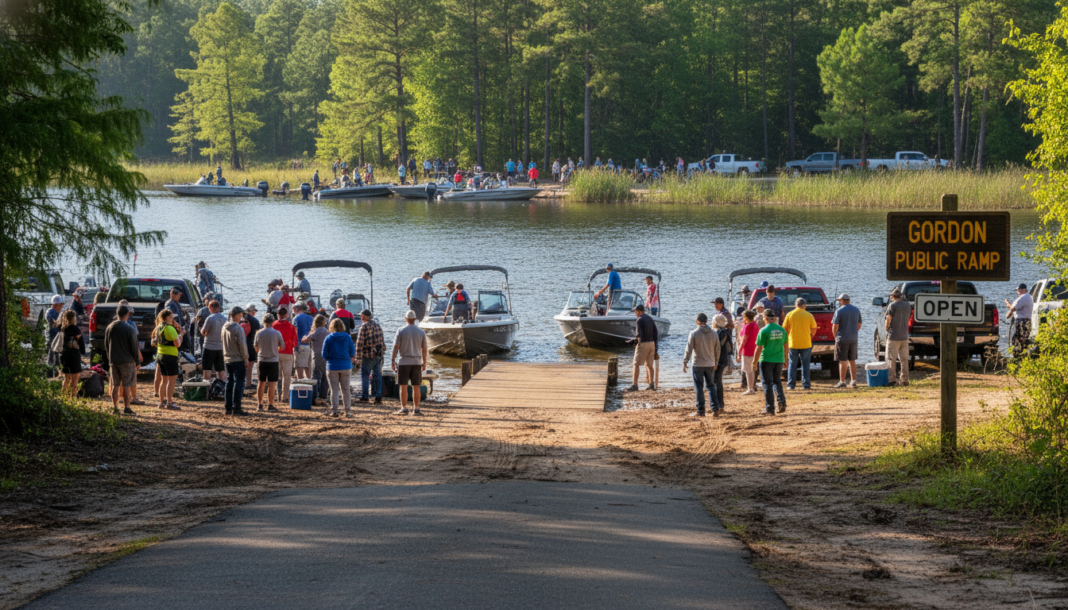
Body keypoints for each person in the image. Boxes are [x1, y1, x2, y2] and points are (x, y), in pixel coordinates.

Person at [682, 313, 721, 417]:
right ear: (706, 321)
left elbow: (689, 349)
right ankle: (715, 408)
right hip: (710, 363)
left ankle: (700, 411)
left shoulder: (694, 333)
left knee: (699, 388)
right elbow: (718, 349)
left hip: (698, 364)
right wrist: (716, 362)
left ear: (697, 321)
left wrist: (685, 362)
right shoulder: (714, 333)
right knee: (711, 386)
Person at [391, 310, 428, 415]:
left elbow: (395, 347)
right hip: (417, 362)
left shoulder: (400, 331)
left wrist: (393, 360)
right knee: (416, 386)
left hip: (404, 361)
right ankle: (416, 408)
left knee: (403, 386)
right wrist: (424, 362)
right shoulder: (421, 332)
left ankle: (403, 408)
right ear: (415, 319)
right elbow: (424, 349)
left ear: (406, 319)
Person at [105, 305, 140, 415]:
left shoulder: (109, 327)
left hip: (114, 360)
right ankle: (127, 407)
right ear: (127, 314)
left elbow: (106, 345)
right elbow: (134, 347)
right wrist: (137, 361)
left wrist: (109, 357)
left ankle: (115, 407)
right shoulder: (130, 329)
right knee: (127, 385)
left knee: (115, 384)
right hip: (127, 361)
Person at [753, 310, 787, 416]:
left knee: (767, 384)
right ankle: (781, 402)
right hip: (779, 359)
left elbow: (759, 348)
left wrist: (754, 362)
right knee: (777, 381)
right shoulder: (782, 330)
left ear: (765, 318)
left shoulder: (764, 330)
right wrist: (785, 359)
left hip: (766, 359)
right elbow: (786, 346)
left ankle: (770, 408)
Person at [322, 318, 356, 417]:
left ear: (331, 327)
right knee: (345, 390)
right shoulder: (348, 337)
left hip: (332, 366)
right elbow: (352, 352)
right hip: (345, 365)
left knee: (334, 389)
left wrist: (330, 358)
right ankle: (348, 411)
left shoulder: (328, 338)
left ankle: (334, 410)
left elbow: (324, 354)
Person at [784, 298, 818, 390]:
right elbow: (814, 328)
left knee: (792, 364)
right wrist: (810, 336)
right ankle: (806, 385)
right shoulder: (809, 315)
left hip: (793, 343)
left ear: (796, 305)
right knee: (805, 365)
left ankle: (791, 385)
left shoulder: (790, 315)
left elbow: (785, 329)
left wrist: (788, 338)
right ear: (804, 305)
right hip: (806, 343)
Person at [152, 309, 183, 410]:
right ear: (168, 318)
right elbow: (177, 344)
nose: (172, 319)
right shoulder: (170, 328)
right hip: (170, 356)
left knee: (164, 379)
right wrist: (181, 335)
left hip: (160, 355)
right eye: (171, 317)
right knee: (172, 380)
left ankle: (161, 402)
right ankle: (169, 402)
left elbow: (155, 342)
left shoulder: (158, 327)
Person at [222, 306, 250, 416]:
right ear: (239, 315)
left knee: (229, 382)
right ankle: (236, 407)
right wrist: (246, 359)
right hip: (238, 358)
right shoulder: (238, 328)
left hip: (227, 357)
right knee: (239, 383)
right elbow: (242, 345)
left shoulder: (224, 327)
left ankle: (228, 407)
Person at [254, 314, 284, 411]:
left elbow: (255, 346)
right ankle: (270, 404)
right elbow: (282, 346)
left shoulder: (259, 333)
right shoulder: (277, 333)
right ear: (272, 322)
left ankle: (259, 404)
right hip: (273, 360)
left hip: (262, 359)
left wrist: (260, 351)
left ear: (264, 322)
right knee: (272, 384)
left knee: (261, 382)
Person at [831, 294, 862, 388]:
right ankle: (853, 381)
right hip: (853, 338)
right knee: (852, 360)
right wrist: (853, 332)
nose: (839, 302)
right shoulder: (856, 310)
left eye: (839, 301)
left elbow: (834, 326)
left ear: (842, 301)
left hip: (842, 338)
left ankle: (842, 381)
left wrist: (835, 337)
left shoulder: (839, 311)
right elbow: (859, 324)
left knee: (842, 361)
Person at [354, 309, 385, 404]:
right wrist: (383, 352)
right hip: (378, 354)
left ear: (365, 317)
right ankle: (378, 395)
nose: (361, 317)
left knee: (365, 375)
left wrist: (357, 359)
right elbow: (382, 341)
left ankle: (365, 396)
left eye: (361, 316)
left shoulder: (363, 327)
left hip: (368, 355)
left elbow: (359, 344)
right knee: (378, 375)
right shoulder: (377, 325)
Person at [626, 304, 658, 391]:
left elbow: (638, 334)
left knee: (636, 364)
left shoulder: (639, 320)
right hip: (652, 344)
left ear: (639, 312)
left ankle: (635, 385)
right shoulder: (650, 319)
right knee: (649, 365)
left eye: (636, 312)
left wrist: (633, 341)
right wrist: (656, 349)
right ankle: (651, 384)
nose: (636, 314)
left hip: (643, 344)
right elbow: (656, 333)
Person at [884, 288, 912, 385]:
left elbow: (888, 319)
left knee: (891, 358)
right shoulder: (908, 306)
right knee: (904, 359)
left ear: (893, 296)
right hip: (904, 336)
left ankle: (891, 379)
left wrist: (886, 328)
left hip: (893, 336)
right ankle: (904, 380)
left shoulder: (892, 305)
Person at [274, 307, 299, 401]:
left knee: (276, 375)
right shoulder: (290, 326)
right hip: (287, 352)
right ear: (286, 315)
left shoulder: (274, 325)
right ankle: (285, 396)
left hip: (275, 352)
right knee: (287, 375)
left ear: (277, 314)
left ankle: (277, 395)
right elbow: (295, 342)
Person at [199, 300, 227, 384]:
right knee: (220, 370)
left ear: (210, 307)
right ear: (218, 308)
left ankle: (206, 389)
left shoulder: (210, 318)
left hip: (209, 347)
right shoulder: (225, 319)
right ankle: (222, 388)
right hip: (220, 347)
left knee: (207, 369)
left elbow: (203, 332)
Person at [305, 314, 330, 404]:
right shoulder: (327, 332)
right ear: (324, 322)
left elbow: (306, 340)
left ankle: (313, 397)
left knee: (315, 376)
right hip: (325, 356)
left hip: (316, 356)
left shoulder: (315, 332)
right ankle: (323, 395)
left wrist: (304, 337)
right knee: (325, 376)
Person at [1005, 283, 1034, 358]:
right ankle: (1021, 356)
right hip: (1024, 321)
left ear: (1023, 290)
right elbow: (1014, 307)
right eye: (1018, 290)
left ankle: (1019, 357)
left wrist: (1008, 315)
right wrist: (1008, 304)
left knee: (1019, 339)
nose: (1018, 292)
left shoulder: (1024, 297)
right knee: (1021, 339)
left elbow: (1013, 308)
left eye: (1019, 290)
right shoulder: (1026, 297)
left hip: (1022, 322)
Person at [737, 309, 759, 395]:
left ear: (746, 317)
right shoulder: (754, 324)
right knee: (751, 370)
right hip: (753, 348)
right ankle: (751, 387)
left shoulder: (748, 326)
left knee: (748, 370)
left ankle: (750, 389)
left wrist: (739, 350)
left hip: (747, 350)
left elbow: (744, 340)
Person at [713, 314, 732, 411]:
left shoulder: (716, 333)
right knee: (718, 380)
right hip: (724, 359)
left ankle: (718, 404)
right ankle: (720, 404)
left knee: (715, 382)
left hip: (716, 359)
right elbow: (730, 348)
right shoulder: (727, 332)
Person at [292, 302, 314, 380]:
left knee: (299, 368)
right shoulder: (311, 318)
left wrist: (295, 345)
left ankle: (300, 387)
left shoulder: (296, 318)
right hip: (308, 346)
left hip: (299, 345)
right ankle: (310, 386)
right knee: (308, 367)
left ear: (297, 308)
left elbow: (295, 332)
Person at [243, 303, 261, 380]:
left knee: (243, 364)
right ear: (249, 311)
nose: (254, 313)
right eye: (253, 312)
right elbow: (258, 334)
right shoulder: (255, 321)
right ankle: (248, 383)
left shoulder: (241, 319)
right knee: (250, 365)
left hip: (241, 343)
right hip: (251, 344)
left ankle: (244, 382)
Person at [46, 294, 64, 367]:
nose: (61, 307)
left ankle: (55, 365)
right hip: (52, 334)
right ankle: (51, 366)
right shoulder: (52, 312)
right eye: (60, 305)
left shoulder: (52, 312)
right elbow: (56, 322)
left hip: (54, 334)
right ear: (55, 305)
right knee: (53, 350)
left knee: (54, 350)